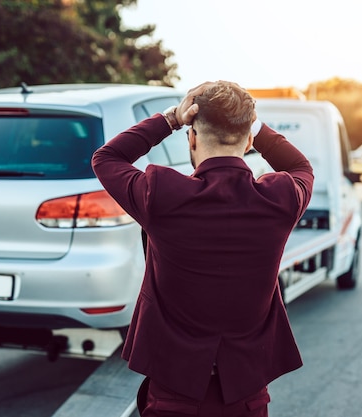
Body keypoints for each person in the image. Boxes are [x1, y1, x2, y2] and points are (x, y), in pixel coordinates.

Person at [91, 81, 314, 417]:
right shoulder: (280, 198)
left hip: (173, 395)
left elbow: (107, 157)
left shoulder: (161, 194)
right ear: (250, 141)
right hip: (246, 397)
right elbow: (301, 168)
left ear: (192, 137)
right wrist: (255, 125)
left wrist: (171, 118)